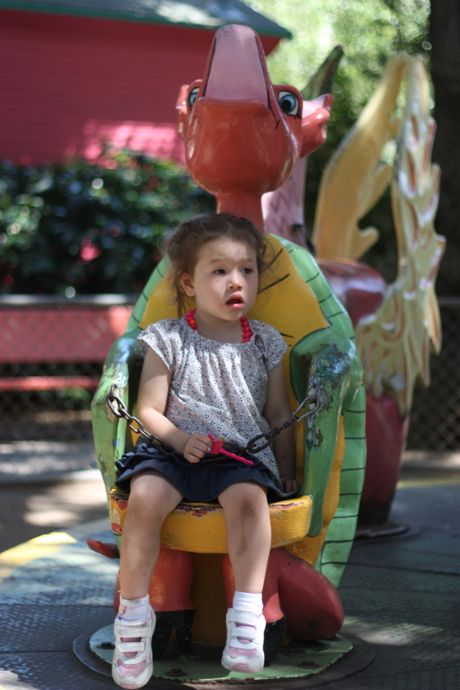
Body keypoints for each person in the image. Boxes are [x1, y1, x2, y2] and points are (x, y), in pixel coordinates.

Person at [112, 212, 298, 689]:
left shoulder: (267, 344)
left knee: (251, 504)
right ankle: (133, 621)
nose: (236, 281)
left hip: (237, 457)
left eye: (246, 270)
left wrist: (289, 471)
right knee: (145, 501)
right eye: (219, 271)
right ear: (188, 283)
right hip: (171, 453)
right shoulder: (169, 338)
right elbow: (148, 410)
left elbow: (278, 414)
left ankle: (246, 618)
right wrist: (178, 439)